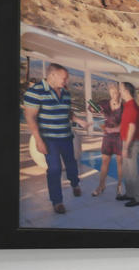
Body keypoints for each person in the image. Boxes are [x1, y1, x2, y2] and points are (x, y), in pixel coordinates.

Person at [23, 63, 91, 214]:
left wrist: (79, 121)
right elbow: (30, 117)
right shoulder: (35, 92)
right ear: (52, 75)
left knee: (71, 163)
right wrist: (38, 141)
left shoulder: (65, 92)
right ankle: (57, 201)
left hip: (66, 136)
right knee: (54, 169)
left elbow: (67, 112)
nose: (66, 81)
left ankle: (75, 183)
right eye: (64, 78)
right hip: (49, 139)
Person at [92, 83, 123, 197]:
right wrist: (92, 108)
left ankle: (119, 186)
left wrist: (115, 128)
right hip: (108, 137)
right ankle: (101, 185)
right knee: (105, 161)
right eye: (111, 93)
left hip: (119, 137)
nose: (114, 95)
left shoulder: (124, 107)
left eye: (115, 92)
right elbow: (92, 108)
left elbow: (125, 124)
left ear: (119, 93)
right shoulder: (104, 103)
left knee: (120, 162)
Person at [118, 82, 139, 207]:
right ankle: (129, 194)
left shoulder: (132, 107)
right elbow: (125, 125)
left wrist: (126, 147)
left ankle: (138, 198)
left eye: (121, 89)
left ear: (126, 91)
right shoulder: (127, 105)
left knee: (133, 173)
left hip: (131, 144)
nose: (119, 92)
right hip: (127, 142)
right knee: (127, 171)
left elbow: (132, 128)